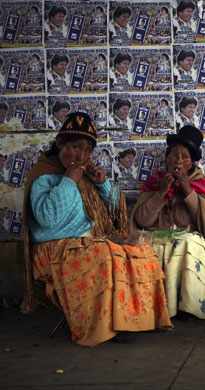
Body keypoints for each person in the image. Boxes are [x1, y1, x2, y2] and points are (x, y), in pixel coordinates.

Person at [22, 112, 173, 346]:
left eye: (86, 151)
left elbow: (116, 210)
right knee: (102, 254)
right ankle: (107, 327)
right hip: (56, 248)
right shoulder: (44, 177)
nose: (80, 156)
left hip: (89, 242)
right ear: (60, 143)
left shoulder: (85, 175)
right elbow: (48, 219)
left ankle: (136, 320)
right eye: (75, 147)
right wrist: (69, 180)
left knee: (142, 249)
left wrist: (102, 184)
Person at [130, 125, 205, 319]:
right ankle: (151, 307)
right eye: (174, 156)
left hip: (186, 237)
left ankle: (188, 308)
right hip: (156, 237)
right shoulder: (154, 183)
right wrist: (161, 193)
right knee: (141, 246)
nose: (178, 161)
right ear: (166, 159)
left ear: (192, 163)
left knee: (187, 243)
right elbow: (141, 220)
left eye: (185, 158)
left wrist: (186, 190)